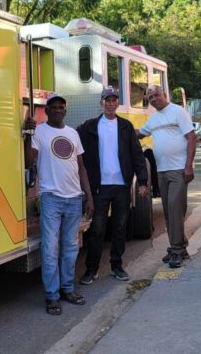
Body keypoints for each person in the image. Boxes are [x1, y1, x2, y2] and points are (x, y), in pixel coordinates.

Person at [24, 94, 94, 316]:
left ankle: (67, 290)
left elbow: (81, 167)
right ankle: (52, 295)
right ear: (46, 110)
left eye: (61, 107)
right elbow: (29, 160)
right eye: (53, 107)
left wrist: (89, 196)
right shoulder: (39, 132)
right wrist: (27, 133)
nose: (57, 110)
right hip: (51, 198)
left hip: (74, 199)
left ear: (65, 110)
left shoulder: (73, 133)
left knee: (71, 248)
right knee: (50, 248)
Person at [76, 86, 149, 285]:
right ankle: (92, 269)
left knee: (119, 228)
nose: (110, 103)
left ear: (118, 103)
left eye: (114, 100)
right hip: (100, 188)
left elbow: (137, 155)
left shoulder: (125, 127)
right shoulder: (89, 126)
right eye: (107, 100)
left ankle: (117, 265)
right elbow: (73, 142)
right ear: (101, 103)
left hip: (121, 187)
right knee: (97, 229)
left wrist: (142, 181)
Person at [137, 85, 196, 269]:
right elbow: (139, 134)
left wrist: (188, 166)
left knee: (175, 208)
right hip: (161, 171)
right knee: (170, 212)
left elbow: (192, 137)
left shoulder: (178, 111)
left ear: (165, 94)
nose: (154, 99)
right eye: (150, 97)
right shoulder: (153, 119)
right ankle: (180, 247)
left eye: (157, 95)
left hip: (179, 169)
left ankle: (177, 250)